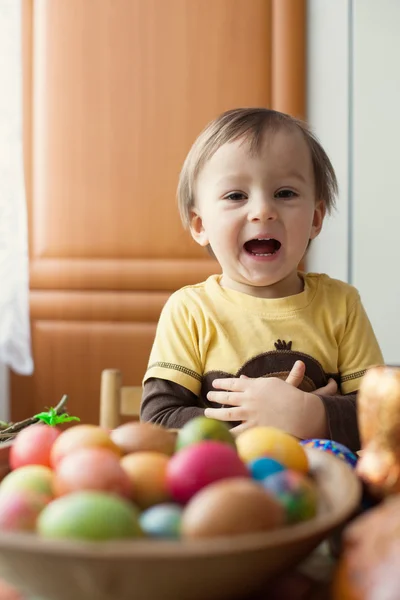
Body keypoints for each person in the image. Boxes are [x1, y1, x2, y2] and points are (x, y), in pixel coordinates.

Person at [140, 108, 383, 451]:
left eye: (284, 193)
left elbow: (381, 417)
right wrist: (258, 416)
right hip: (225, 484)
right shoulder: (191, 310)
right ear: (201, 226)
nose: (262, 210)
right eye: (236, 195)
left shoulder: (341, 304)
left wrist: (308, 412)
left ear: (315, 218)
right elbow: (158, 420)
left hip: (322, 488)